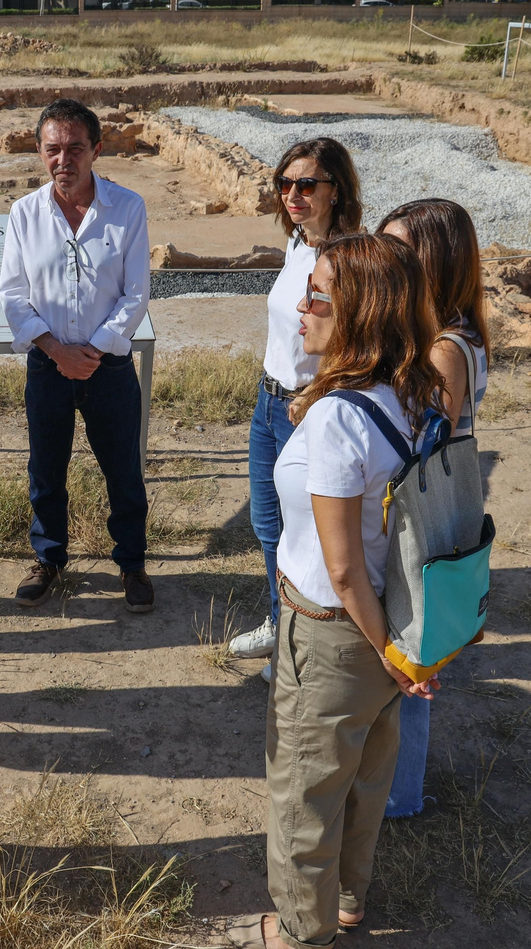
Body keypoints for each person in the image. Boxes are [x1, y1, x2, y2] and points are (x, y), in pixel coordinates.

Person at [228, 231, 443, 949]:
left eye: (320, 293)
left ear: (361, 311)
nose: (302, 304)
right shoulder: (407, 393)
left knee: (304, 790)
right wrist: (398, 653)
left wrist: (384, 650)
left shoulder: (337, 417)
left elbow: (342, 564)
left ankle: (299, 931)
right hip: (387, 621)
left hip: (331, 628)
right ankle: (347, 899)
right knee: (364, 776)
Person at [0, 98, 154, 613]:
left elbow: (136, 294)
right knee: (46, 468)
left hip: (107, 368)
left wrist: (91, 350)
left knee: (122, 470)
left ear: (97, 150)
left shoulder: (127, 208)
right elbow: (13, 294)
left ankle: (132, 563)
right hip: (48, 366)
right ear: (40, 151)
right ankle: (48, 558)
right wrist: (55, 350)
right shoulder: (24, 213)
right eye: (52, 149)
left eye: (74, 148)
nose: (63, 159)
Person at [231, 139, 362, 683]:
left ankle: (301, 645)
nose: (292, 195)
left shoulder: (350, 259)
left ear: (337, 192)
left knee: (305, 535)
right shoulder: (298, 246)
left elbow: (356, 341)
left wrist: (315, 394)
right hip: (269, 403)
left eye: (306, 185)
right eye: (284, 184)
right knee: (267, 526)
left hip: (307, 409)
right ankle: (279, 618)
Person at [375, 198, 490, 821]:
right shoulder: (446, 333)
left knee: (408, 663)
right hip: (420, 512)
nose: (390, 260)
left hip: (415, 516)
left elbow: (426, 440)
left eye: (402, 250)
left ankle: (398, 796)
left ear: (436, 261)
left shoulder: (447, 346)